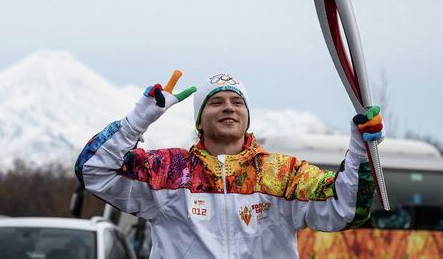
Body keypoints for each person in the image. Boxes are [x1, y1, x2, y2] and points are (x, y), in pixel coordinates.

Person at [75, 71, 384, 258]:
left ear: (247, 116)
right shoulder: (167, 171)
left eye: (237, 102)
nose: (228, 108)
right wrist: (137, 120)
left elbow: (346, 208)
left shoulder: (282, 174)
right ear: (200, 119)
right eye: (216, 102)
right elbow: (93, 170)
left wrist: (359, 149)